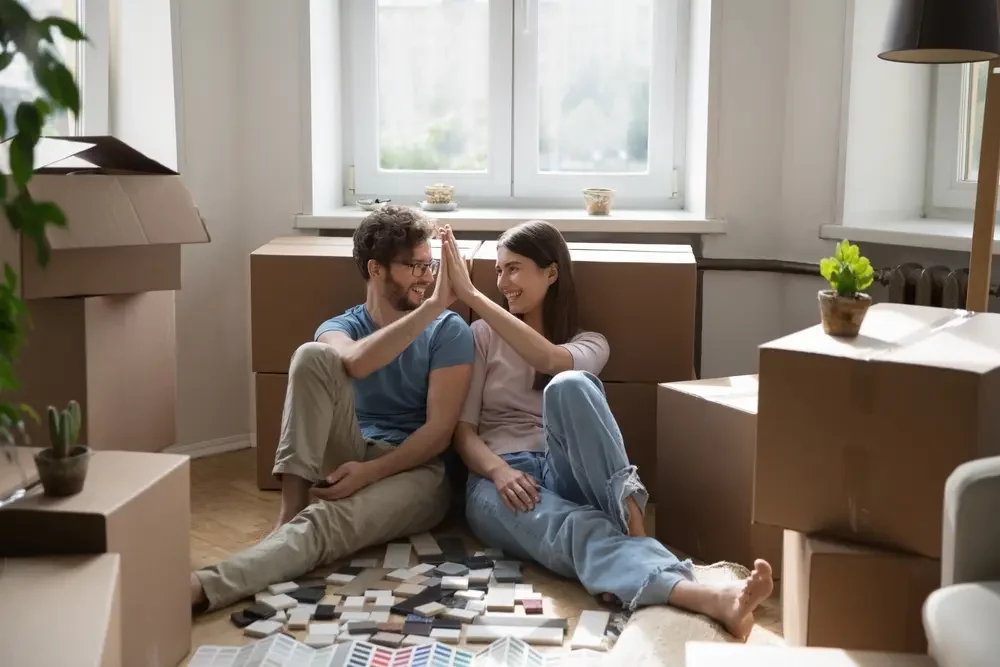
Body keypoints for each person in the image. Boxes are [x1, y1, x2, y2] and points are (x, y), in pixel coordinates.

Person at [438, 221, 773, 641]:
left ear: (552, 272)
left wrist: (469, 296)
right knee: (577, 525)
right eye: (499, 271)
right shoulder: (481, 335)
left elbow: (550, 361)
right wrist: (499, 472)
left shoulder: (590, 343)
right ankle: (705, 595)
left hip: (568, 471)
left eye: (514, 268)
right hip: (499, 479)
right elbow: (463, 433)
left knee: (570, 384)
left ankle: (632, 526)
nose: (503, 282)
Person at [190, 206, 474, 612]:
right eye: (415, 266)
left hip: (416, 472)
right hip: (351, 448)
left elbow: (439, 433)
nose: (428, 278)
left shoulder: (449, 330)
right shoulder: (341, 326)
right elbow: (356, 362)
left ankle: (204, 587)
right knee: (312, 355)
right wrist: (431, 306)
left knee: (324, 524)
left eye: (430, 267)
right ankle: (288, 513)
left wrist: (370, 472)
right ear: (376, 269)